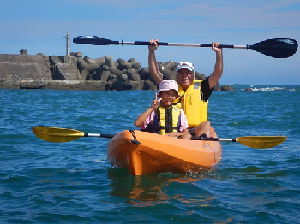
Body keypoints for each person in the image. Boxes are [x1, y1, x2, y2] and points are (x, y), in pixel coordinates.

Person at [148, 39, 224, 138]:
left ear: (193, 74)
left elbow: (217, 73)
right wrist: (151, 51)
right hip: (175, 129)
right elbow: (155, 73)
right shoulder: (170, 87)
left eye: (188, 73)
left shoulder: (203, 87)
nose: (185, 76)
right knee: (186, 135)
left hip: (195, 129)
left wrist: (218, 53)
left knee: (206, 124)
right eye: (181, 73)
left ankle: (201, 140)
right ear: (176, 75)